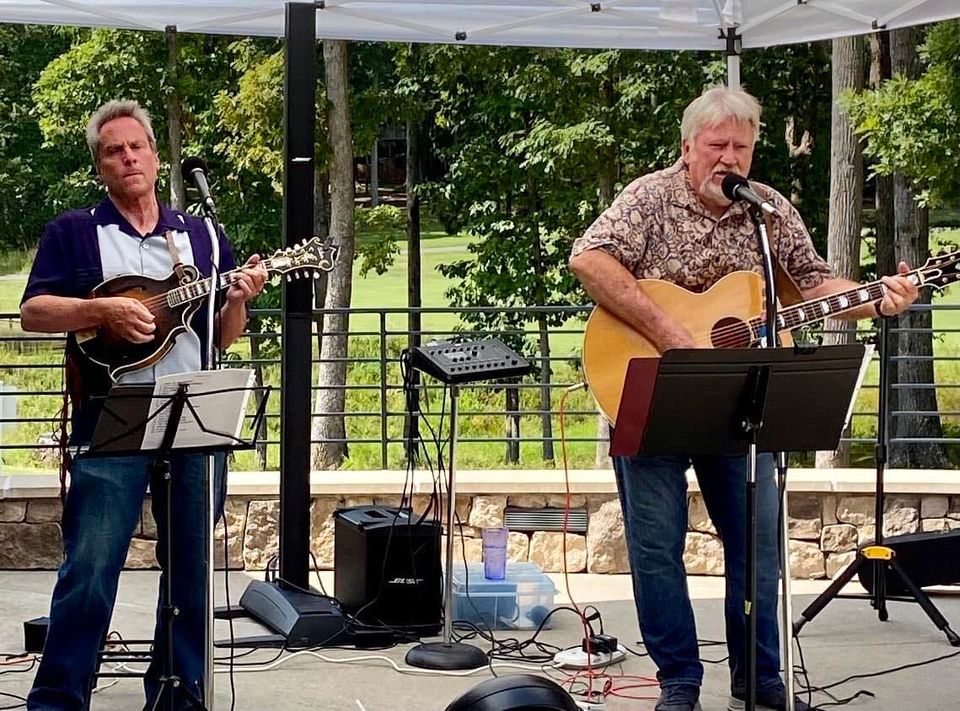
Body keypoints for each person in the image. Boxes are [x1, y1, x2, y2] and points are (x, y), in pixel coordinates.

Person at [569, 87, 919, 711]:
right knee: (656, 546)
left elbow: (813, 283)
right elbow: (589, 259)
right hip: (649, 387)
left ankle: (759, 681)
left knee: (758, 545)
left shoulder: (769, 211)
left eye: (742, 147)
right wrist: (673, 333)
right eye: (717, 145)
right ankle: (679, 681)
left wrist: (876, 297)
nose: (729, 158)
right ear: (688, 147)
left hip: (741, 400)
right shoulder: (649, 198)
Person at [21, 100, 267, 710]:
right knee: (91, 569)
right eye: (113, 151)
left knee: (189, 570)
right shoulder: (74, 232)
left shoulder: (203, 235)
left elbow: (222, 334)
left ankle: (177, 691)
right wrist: (99, 310)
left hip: (195, 418)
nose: (128, 158)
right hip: (113, 419)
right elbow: (34, 312)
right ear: (100, 166)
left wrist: (239, 298)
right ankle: (57, 699)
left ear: (156, 156)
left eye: (137, 147)